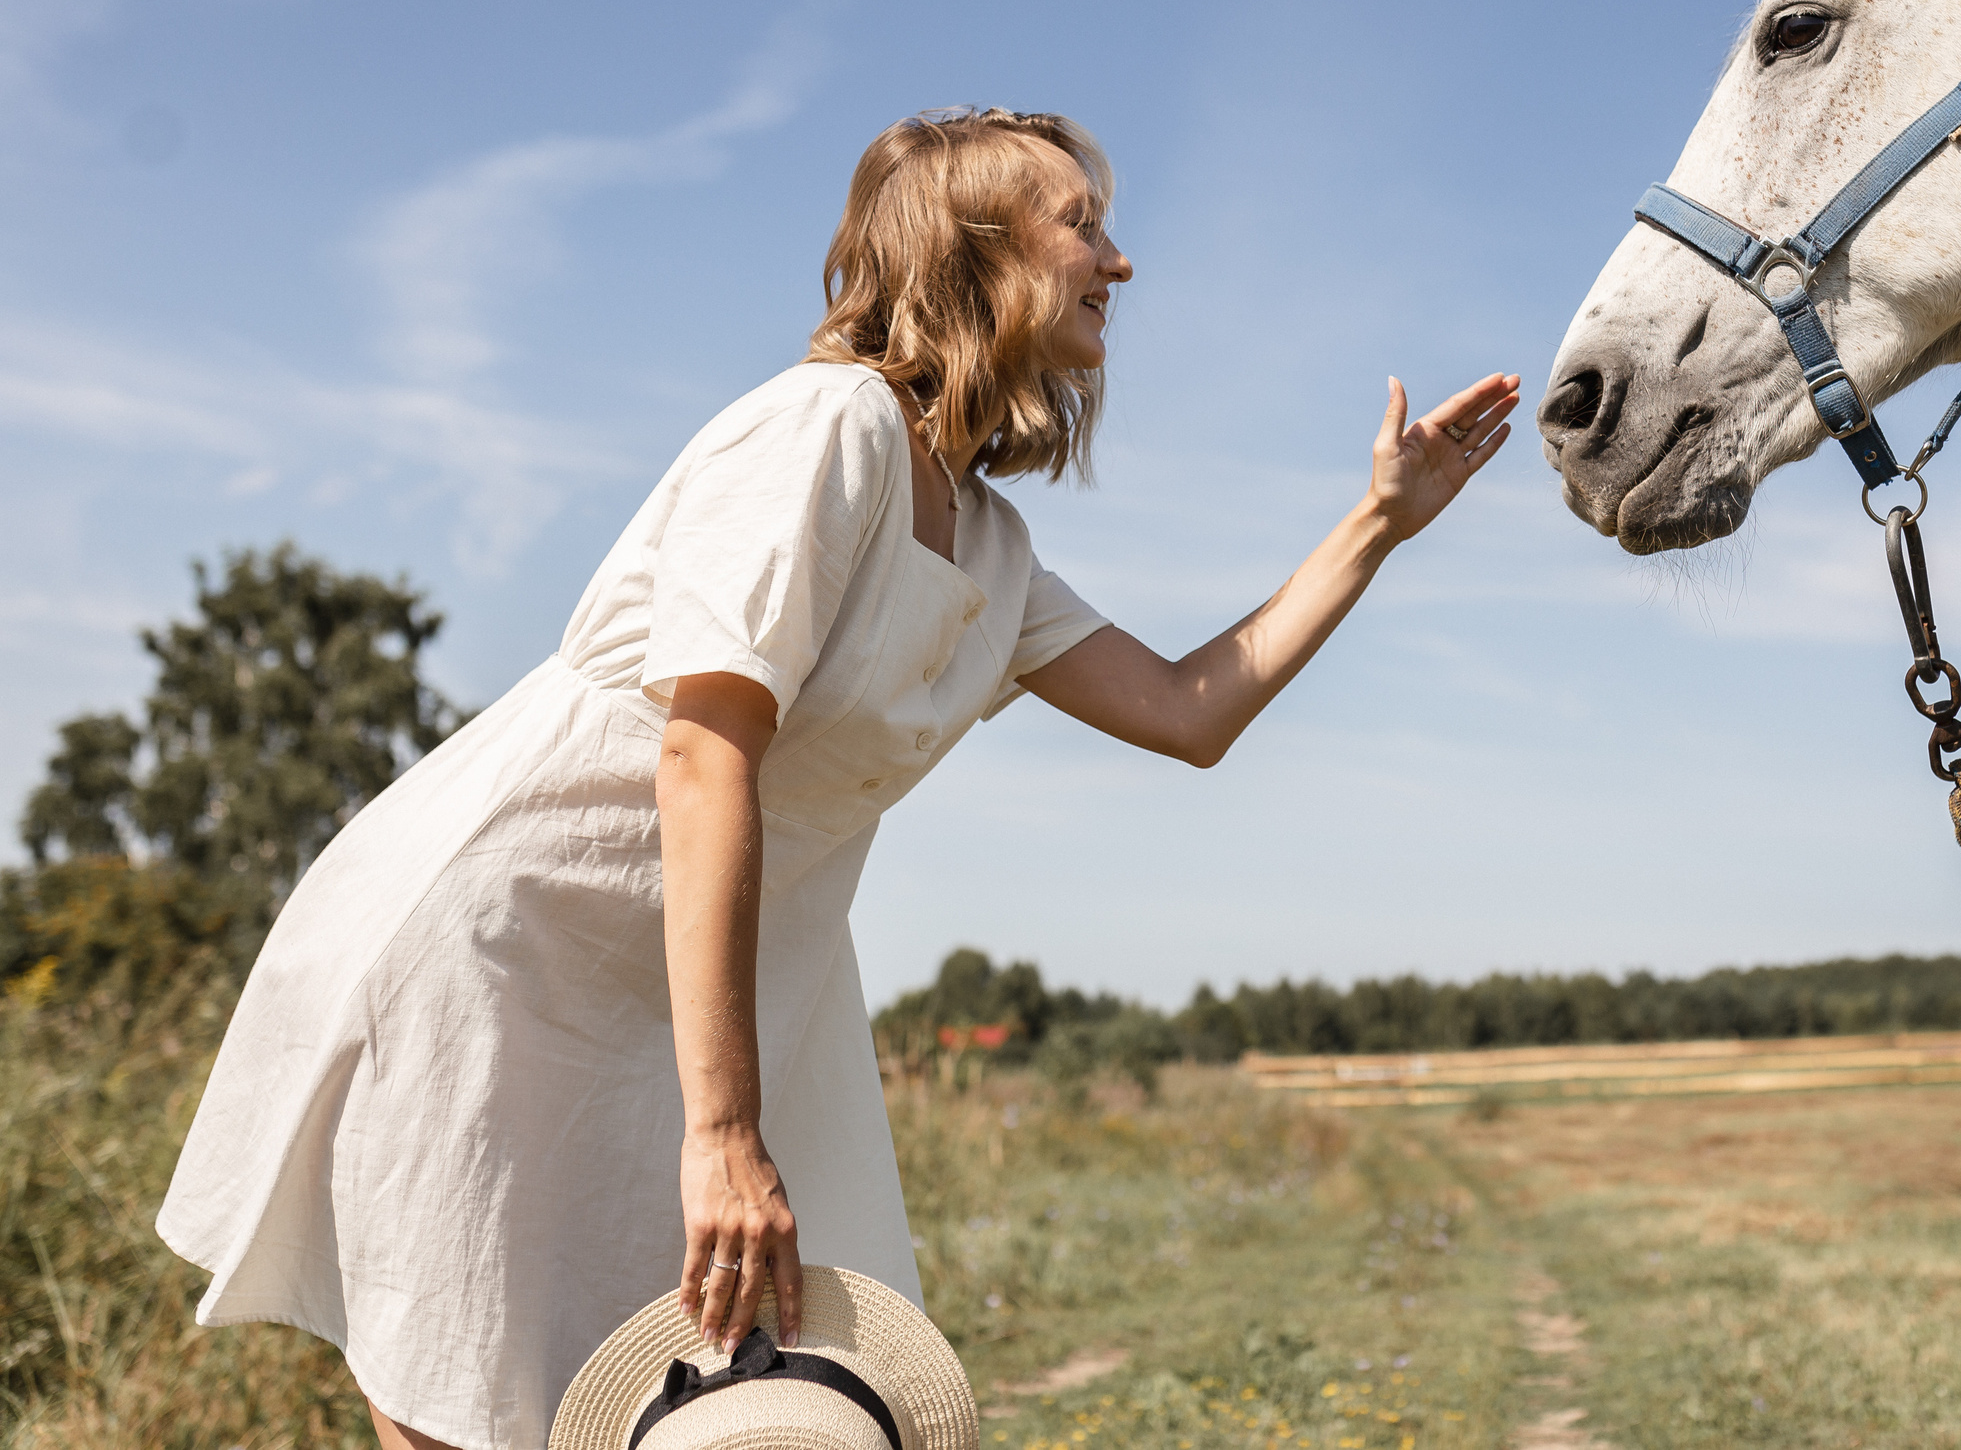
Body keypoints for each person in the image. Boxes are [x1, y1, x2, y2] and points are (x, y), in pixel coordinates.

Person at [156, 107, 1520, 1450]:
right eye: (1082, 226)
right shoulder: (827, 433)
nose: (1119, 264)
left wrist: (1378, 526)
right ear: (970, 254)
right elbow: (702, 756)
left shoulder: (990, 542)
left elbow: (1186, 710)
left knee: (682, 1416)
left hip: (667, 1015)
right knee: (487, 1412)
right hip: (503, 962)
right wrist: (726, 1133)